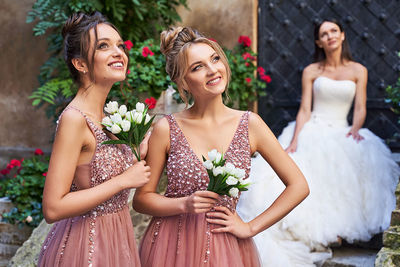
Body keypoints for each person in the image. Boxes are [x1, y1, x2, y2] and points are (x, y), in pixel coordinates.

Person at [132, 26, 310, 267]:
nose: (212, 70)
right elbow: (142, 199)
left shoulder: (251, 124)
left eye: (215, 59)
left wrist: (250, 227)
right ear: (182, 81)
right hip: (170, 246)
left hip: (225, 245)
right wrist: (182, 204)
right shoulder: (166, 128)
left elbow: (299, 186)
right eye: (197, 67)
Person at [237, 19, 400, 266]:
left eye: (334, 31)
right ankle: (321, 232)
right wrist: (294, 140)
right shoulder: (312, 71)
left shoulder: (358, 70)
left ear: (343, 35)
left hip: (343, 129)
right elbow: (304, 109)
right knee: (300, 164)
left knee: (353, 161)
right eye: (324, 34)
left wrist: (355, 130)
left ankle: (342, 231)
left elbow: (360, 107)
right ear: (318, 42)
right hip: (314, 127)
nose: (330, 36)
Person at [38, 12, 151, 266]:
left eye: (120, 45)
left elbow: (98, 168)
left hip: (116, 243)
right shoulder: (74, 119)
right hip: (83, 249)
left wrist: (139, 150)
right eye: (103, 46)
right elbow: (53, 208)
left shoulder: (108, 115)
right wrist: (123, 181)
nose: (118, 52)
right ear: (81, 64)